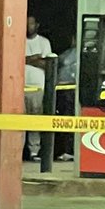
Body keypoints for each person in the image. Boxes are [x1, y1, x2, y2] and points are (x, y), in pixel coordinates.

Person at [24, 15, 54, 161]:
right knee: (18, 121)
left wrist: (28, 60)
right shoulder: (19, 40)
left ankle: (34, 151)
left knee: (35, 119)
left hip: (37, 87)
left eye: (31, 24)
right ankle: (18, 151)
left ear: (37, 25)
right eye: (26, 23)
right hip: (21, 87)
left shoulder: (44, 42)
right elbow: (17, 60)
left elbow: (47, 63)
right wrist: (35, 58)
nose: (28, 26)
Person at [55, 33, 78, 161]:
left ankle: (71, 150)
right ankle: (66, 149)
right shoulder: (67, 52)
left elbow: (64, 61)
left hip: (72, 89)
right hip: (62, 89)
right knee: (63, 118)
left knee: (71, 118)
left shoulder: (77, 53)